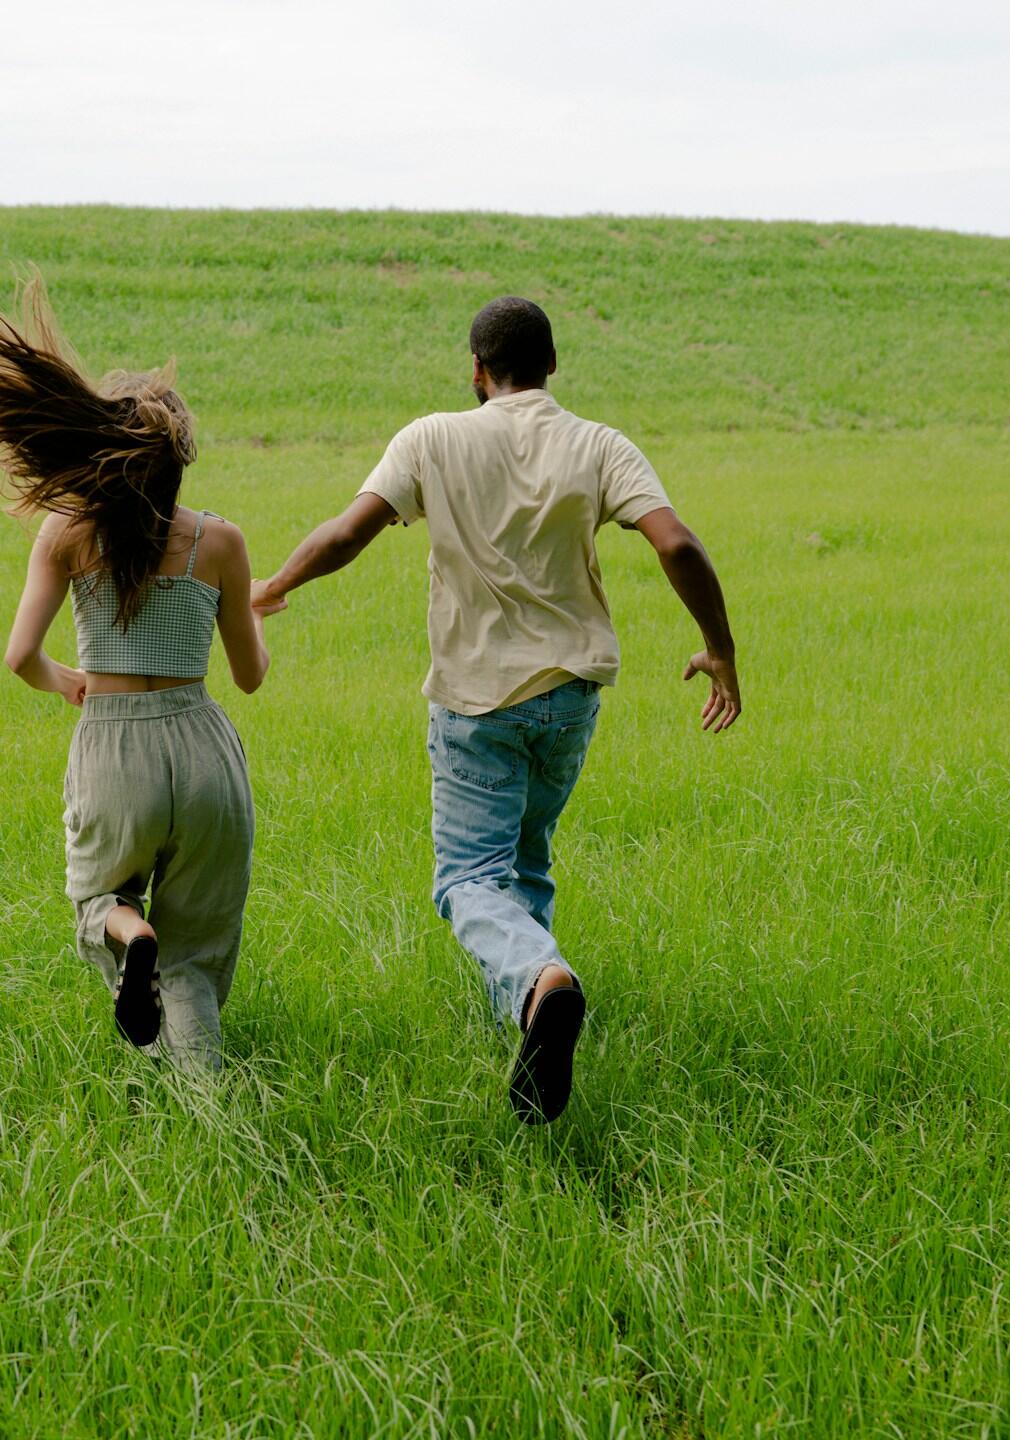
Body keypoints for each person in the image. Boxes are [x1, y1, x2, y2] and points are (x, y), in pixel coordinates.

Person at [252, 296, 739, 1122]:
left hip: (476, 701)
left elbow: (346, 534)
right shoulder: (598, 444)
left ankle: (542, 983)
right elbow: (678, 544)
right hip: (570, 699)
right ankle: (527, 1011)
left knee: (469, 879)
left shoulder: (431, 438)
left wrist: (272, 586)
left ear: (477, 371)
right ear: (552, 365)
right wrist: (720, 649)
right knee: (526, 859)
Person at [0, 277, 269, 1070]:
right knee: (199, 954)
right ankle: (214, 1120)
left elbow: (18, 657)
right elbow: (249, 676)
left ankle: (127, 931)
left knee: (96, 901)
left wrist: (67, 678)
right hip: (203, 750)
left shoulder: (64, 535)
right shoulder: (223, 543)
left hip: (112, 748)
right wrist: (243, 614)